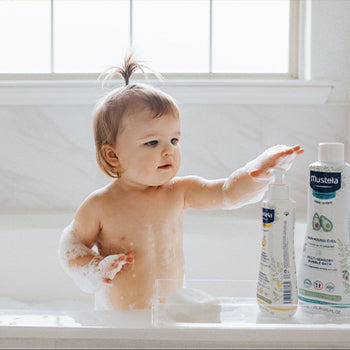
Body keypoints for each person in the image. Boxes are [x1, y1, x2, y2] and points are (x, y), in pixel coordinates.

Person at [58, 53, 304, 310]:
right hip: (121, 319)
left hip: (170, 316)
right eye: (152, 142)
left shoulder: (180, 191)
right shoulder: (100, 205)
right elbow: (73, 248)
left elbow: (226, 192)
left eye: (174, 140)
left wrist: (258, 171)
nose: (169, 151)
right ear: (113, 154)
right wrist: (95, 267)